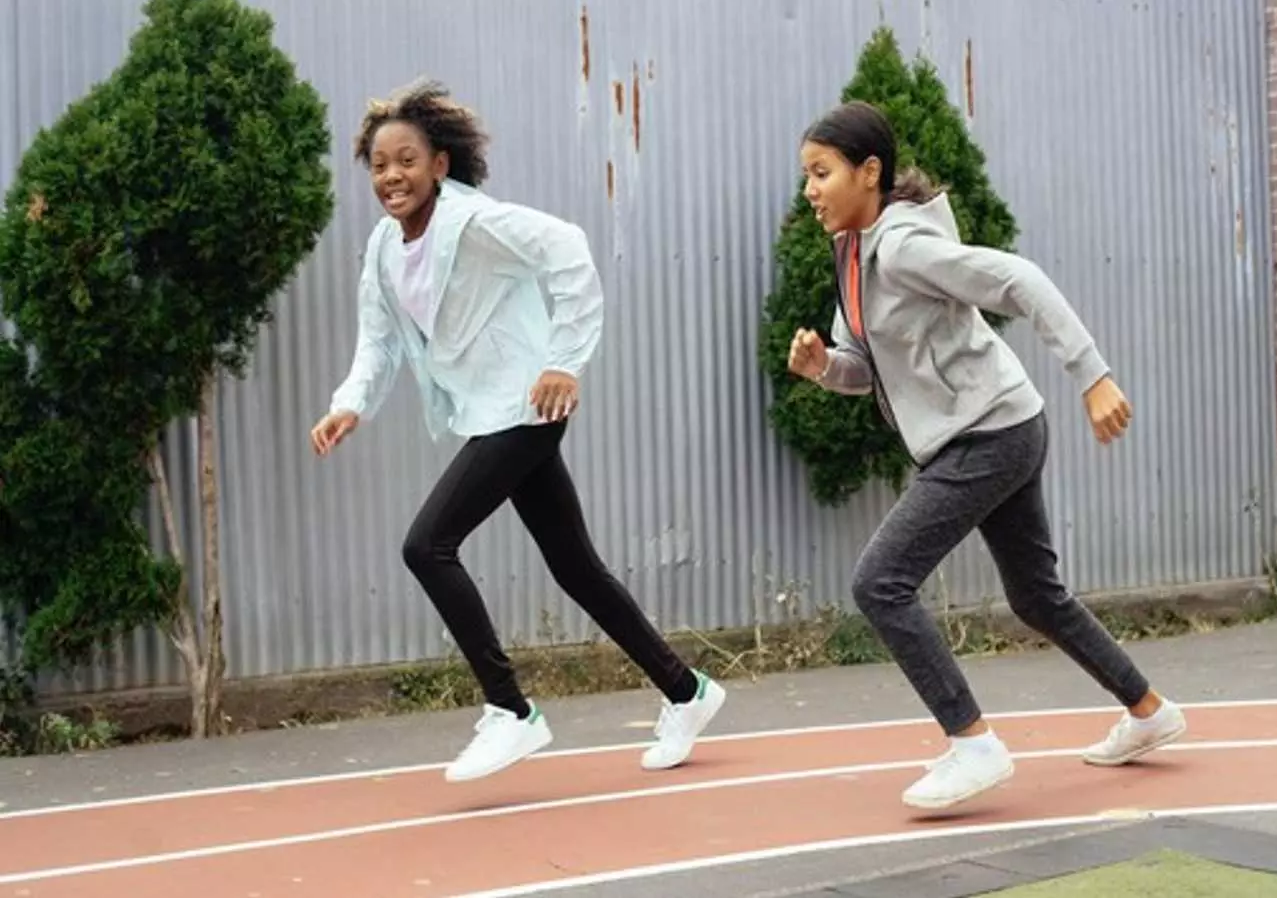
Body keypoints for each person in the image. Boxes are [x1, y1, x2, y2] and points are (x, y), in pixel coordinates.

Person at [310, 78, 724, 783]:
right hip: (489, 413)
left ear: (440, 164)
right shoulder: (384, 248)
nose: (391, 176)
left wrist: (565, 360)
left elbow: (568, 248)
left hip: (526, 408)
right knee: (575, 567)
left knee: (426, 546)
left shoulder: (473, 223)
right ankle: (687, 691)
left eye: (407, 160)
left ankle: (511, 709)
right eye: (379, 165)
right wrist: (350, 403)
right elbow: (377, 341)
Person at [786, 101, 1187, 811]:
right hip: (1002, 423)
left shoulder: (903, 247)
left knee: (880, 582)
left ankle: (973, 745)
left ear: (869, 172)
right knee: (1035, 596)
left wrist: (1092, 375)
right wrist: (825, 367)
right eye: (807, 176)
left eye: (822, 173)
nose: (810, 190)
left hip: (986, 435)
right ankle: (1149, 711)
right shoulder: (851, 252)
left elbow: (1019, 280)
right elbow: (867, 367)